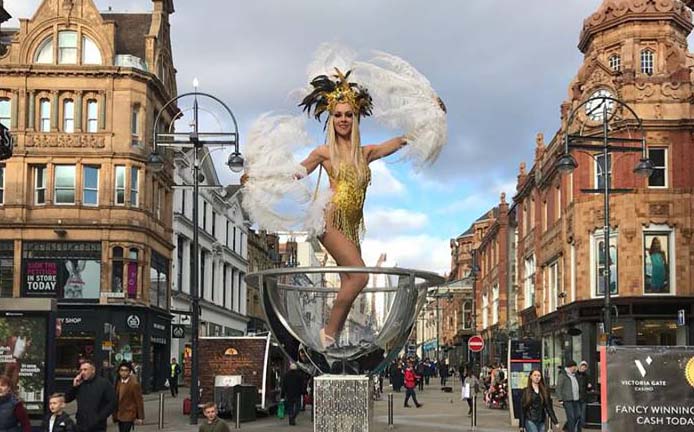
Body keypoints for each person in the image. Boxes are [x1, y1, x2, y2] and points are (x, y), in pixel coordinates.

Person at [242, 46, 447, 351]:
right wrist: (261, 176)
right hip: (331, 220)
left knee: (352, 282)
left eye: (348, 114)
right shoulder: (324, 153)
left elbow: (402, 140)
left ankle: (332, 339)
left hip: (353, 226)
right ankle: (327, 335)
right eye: (337, 115)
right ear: (330, 119)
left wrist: (430, 119)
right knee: (360, 278)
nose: (342, 119)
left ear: (356, 117)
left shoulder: (367, 153)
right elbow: (297, 173)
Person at [65, 359, 116, 432]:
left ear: (93, 370)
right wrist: (74, 387)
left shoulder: (104, 383)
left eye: (85, 370)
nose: (82, 372)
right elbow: (67, 399)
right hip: (81, 424)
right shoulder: (79, 384)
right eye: (81, 370)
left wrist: (100, 417)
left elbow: (112, 403)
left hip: (97, 426)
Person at [112, 361, 144, 432]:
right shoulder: (117, 382)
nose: (123, 372)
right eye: (121, 370)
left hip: (129, 414)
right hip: (119, 414)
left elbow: (139, 401)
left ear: (129, 372)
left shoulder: (134, 384)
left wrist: (140, 417)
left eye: (126, 370)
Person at [556, 360, 581, 432]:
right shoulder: (563, 375)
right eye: (574, 367)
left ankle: (566, 428)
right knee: (571, 417)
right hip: (568, 400)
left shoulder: (575, 375)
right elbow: (558, 388)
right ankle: (570, 430)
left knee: (578, 415)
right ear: (571, 367)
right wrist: (560, 399)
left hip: (576, 399)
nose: (575, 368)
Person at [577, 361, 593, 429]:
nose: (583, 369)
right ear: (580, 366)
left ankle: (582, 425)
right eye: (582, 367)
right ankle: (577, 424)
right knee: (577, 412)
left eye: (585, 368)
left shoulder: (587, 376)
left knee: (583, 412)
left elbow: (588, 387)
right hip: (576, 396)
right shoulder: (575, 375)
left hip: (583, 396)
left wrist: (590, 387)